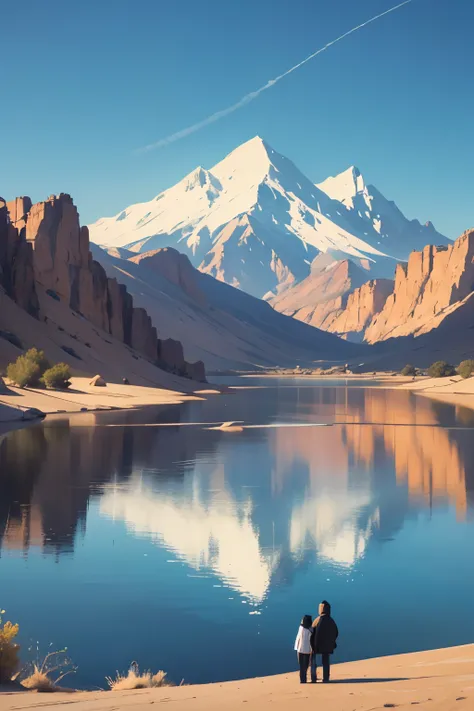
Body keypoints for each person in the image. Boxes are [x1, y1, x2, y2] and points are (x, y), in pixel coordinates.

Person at [310, 600, 338, 683]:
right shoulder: (331, 621)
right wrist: (332, 641)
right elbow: (336, 632)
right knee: (326, 661)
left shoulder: (317, 620)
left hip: (316, 645)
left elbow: (311, 632)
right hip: (327, 646)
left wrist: (313, 643)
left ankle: (313, 678)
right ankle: (326, 678)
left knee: (313, 660)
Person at [294, 614, 312, 683]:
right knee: (305, 666)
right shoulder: (311, 629)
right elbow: (311, 640)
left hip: (300, 650)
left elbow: (298, 638)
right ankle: (304, 679)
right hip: (307, 650)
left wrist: (296, 647)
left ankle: (302, 680)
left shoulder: (301, 628)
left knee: (301, 666)